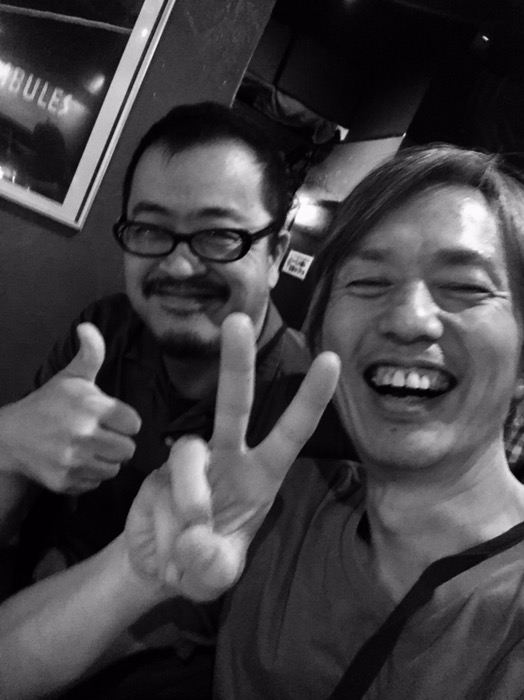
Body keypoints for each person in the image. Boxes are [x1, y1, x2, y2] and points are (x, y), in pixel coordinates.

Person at [2, 143, 524, 699]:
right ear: (322, 330)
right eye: (369, 282)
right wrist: (132, 572)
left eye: (466, 287)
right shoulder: (277, 506)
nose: (409, 319)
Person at [0, 101, 350, 692]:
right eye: (150, 229)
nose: (180, 266)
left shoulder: (309, 415)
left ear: (276, 253)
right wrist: (7, 445)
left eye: (219, 235)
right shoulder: (103, 335)